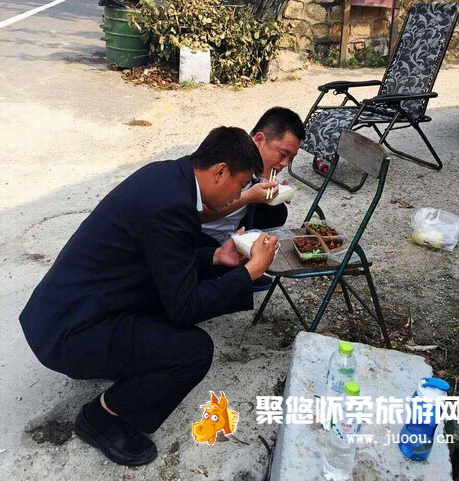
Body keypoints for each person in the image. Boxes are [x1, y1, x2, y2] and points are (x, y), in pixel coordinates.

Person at [19, 127, 278, 467]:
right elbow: (185, 307)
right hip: (70, 333)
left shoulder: (168, 176)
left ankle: (119, 364)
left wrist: (218, 259)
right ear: (220, 172)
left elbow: (165, 263)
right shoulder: (172, 207)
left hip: (63, 312)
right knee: (193, 351)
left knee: (182, 295)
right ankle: (101, 417)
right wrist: (250, 272)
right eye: (241, 184)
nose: (240, 194)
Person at [200, 108, 305, 289]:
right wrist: (249, 196)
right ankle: (218, 268)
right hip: (200, 235)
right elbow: (200, 213)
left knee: (276, 210)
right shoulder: (226, 157)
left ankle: (238, 263)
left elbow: (257, 187)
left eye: (291, 158)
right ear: (259, 139)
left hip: (232, 230)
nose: (285, 164)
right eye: (283, 154)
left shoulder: (257, 162)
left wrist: (274, 192)